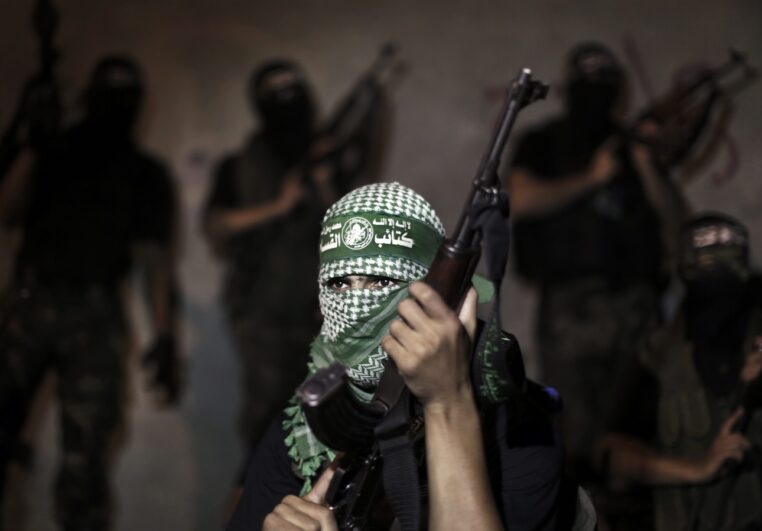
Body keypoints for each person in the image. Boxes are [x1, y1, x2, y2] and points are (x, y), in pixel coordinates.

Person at [227, 182, 585, 531]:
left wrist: (448, 402)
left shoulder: (514, 427)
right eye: (340, 284)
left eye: (380, 282)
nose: (356, 305)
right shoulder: (304, 430)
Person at [0, 55, 181, 531]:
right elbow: (7, 210)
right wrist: (30, 147)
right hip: (30, 303)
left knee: (86, 459)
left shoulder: (143, 174)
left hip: (95, 313)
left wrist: (164, 336)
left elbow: (154, 261)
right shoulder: (54, 150)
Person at [506, 42, 687, 481]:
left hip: (634, 307)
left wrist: (645, 164)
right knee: (571, 434)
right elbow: (520, 199)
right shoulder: (544, 142)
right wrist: (591, 178)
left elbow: (679, 227)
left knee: (628, 432)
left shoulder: (631, 144)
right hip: (572, 306)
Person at [202, 59, 388, 461]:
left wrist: (324, 185)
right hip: (262, 317)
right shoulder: (240, 165)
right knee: (267, 428)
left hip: (324, 319)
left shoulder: (328, 161)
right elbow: (217, 226)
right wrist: (279, 206)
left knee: (329, 428)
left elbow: (356, 236)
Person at [599, 212, 762, 531]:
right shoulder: (657, 355)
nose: (720, 293)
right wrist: (697, 469)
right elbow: (614, 456)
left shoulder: (761, 340)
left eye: (728, 270)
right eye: (707, 272)